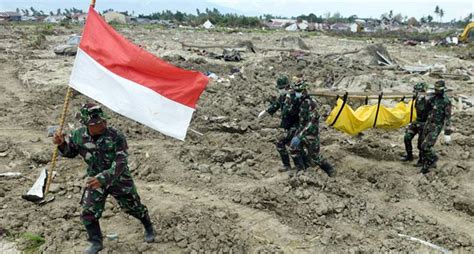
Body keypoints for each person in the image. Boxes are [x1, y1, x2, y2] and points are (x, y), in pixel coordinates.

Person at [53, 103, 155, 254]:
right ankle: (96, 242)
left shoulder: (116, 136)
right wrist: (62, 145)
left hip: (118, 178)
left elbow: (121, 161)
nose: (102, 125)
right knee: (88, 212)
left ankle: (148, 226)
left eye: (102, 121)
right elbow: (71, 153)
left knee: (133, 207)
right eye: (96, 123)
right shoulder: (78, 135)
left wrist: (105, 177)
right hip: (95, 180)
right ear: (86, 124)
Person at [258, 76, 302, 171]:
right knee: (286, 144)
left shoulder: (295, 97)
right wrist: (266, 112)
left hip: (296, 126)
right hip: (288, 126)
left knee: (286, 144)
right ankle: (289, 166)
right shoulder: (283, 97)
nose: (281, 90)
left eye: (282, 88)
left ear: (287, 86)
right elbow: (276, 105)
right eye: (280, 88)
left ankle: (298, 167)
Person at [419, 80, 452, 174]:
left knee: (425, 146)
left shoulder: (446, 101)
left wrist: (447, 133)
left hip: (436, 126)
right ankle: (426, 164)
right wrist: (423, 98)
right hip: (428, 124)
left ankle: (433, 159)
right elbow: (425, 110)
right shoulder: (433, 98)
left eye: (437, 89)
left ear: (442, 89)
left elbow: (448, 117)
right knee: (422, 145)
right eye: (435, 89)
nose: (436, 91)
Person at [401, 83, 429, 166]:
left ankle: (421, 160)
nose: (415, 92)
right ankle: (409, 156)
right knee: (407, 137)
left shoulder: (428, 101)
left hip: (424, 124)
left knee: (421, 143)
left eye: (417, 91)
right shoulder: (416, 99)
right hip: (416, 122)